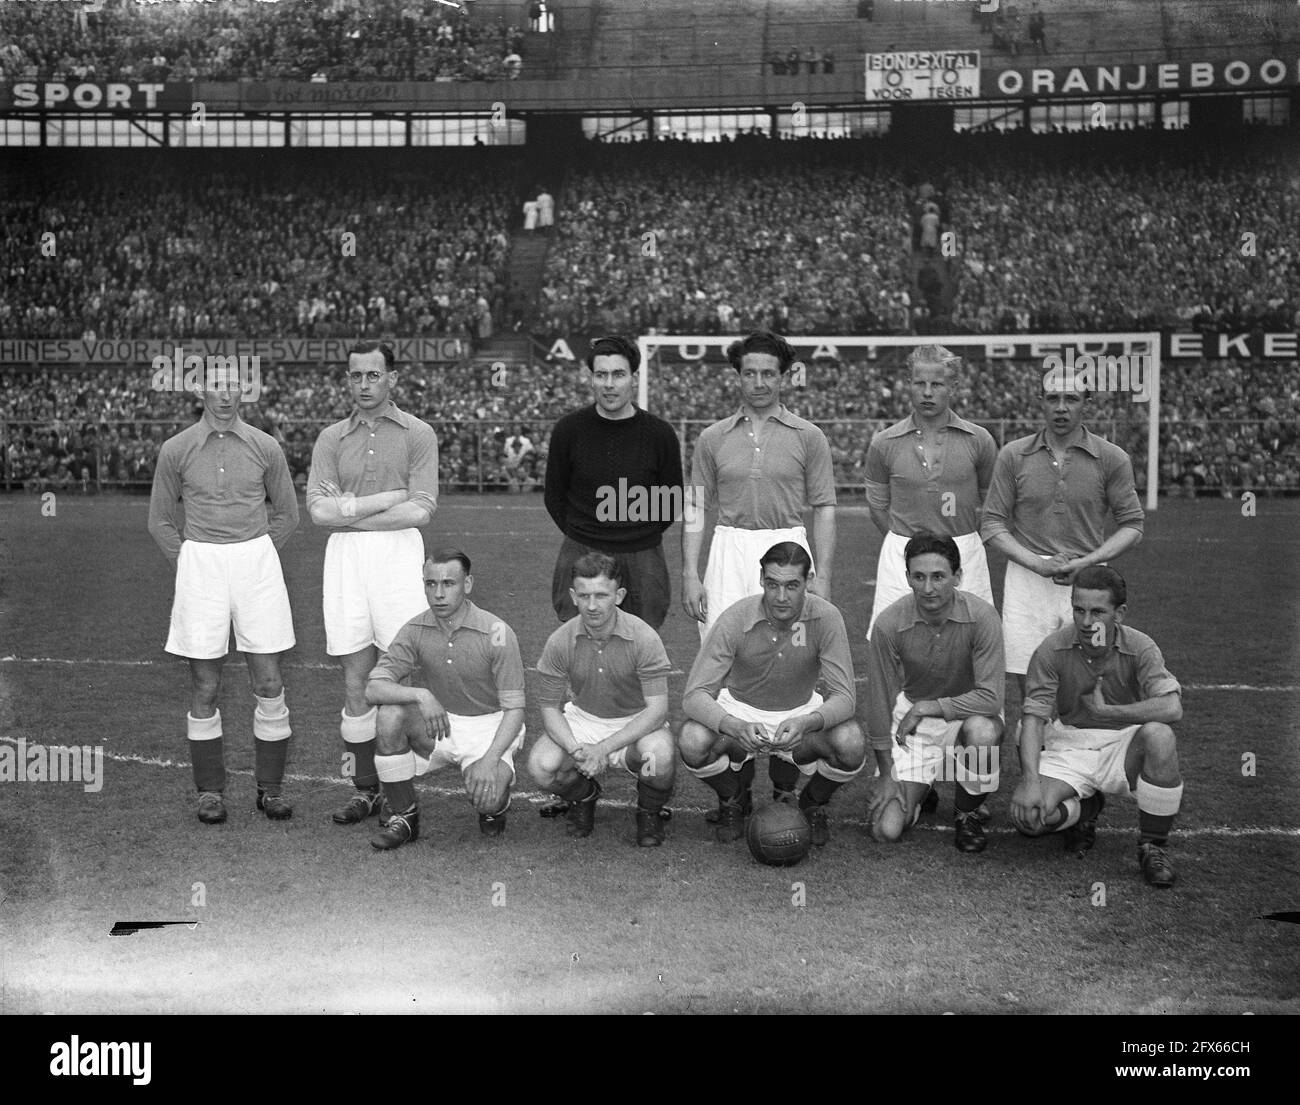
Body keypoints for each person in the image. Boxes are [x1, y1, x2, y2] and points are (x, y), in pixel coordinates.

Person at [148, 364, 299, 824]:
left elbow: (288, 514)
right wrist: (193, 561)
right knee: (205, 684)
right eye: (217, 386)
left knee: (269, 680)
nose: (226, 395)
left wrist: (253, 556)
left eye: (235, 386)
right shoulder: (176, 448)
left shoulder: (264, 445)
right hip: (201, 565)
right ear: (199, 389)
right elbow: (159, 520)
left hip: (255, 564)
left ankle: (269, 790)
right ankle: (209, 792)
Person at [307, 340, 439, 828]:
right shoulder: (330, 438)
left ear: (391, 378)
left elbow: (421, 508)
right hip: (345, 562)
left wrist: (348, 514)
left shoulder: (418, 433)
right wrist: (382, 499)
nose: (364, 384)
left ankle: (400, 797)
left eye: (373, 375)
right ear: (347, 379)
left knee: (396, 678)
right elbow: (316, 511)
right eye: (355, 375)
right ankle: (366, 791)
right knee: (355, 679)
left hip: (399, 555)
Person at [679, 542, 865, 846]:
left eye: (792, 585)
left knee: (851, 742)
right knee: (692, 739)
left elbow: (845, 697)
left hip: (800, 713)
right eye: (773, 584)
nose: (781, 597)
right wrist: (734, 725)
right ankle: (733, 798)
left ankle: (811, 802)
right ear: (761, 579)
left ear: (809, 580)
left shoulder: (826, 617)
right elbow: (694, 695)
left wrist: (808, 722)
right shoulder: (736, 618)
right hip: (741, 713)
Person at [1010, 567, 1183, 888]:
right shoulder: (1052, 649)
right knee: (1030, 819)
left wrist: (1111, 710)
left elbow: (1172, 707)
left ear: (1120, 613)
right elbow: (1034, 717)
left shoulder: (1141, 646)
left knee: (1160, 735)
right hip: (1069, 744)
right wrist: (1030, 780)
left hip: (1123, 743)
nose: (1087, 622)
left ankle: (1153, 846)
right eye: (1079, 610)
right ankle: (1087, 807)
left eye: (1098, 612)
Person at [981, 378, 1144, 712]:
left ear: (1087, 402)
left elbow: (1133, 525)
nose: (1061, 407)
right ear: (1040, 400)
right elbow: (992, 523)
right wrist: (1037, 563)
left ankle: (1082, 751)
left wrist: (1088, 563)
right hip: (1028, 578)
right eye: (1053, 398)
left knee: (1088, 676)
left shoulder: (1111, 457)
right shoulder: (1013, 455)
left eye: (1071, 398)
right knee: (1030, 683)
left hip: (1089, 582)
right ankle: (1037, 756)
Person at [362, 549, 527, 850]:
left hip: (491, 726)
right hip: (441, 723)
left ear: (468, 584)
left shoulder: (497, 632)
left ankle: (496, 807)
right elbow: (373, 688)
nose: (438, 594)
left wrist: (490, 761)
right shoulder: (416, 629)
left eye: (448, 584)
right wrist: (420, 694)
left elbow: (515, 710)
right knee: (390, 715)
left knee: (487, 802)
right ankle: (404, 816)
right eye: (431, 584)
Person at [683, 330, 836, 640]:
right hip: (729, 548)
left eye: (768, 373)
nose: (759, 382)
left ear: (783, 378)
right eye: (750, 373)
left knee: (791, 651)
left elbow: (824, 508)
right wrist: (690, 574)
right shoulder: (712, 437)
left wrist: (824, 576)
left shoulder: (809, 436)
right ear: (738, 377)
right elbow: (696, 505)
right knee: (721, 647)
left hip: (788, 545)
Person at [863, 534, 1005, 853]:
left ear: (958, 576)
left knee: (982, 732)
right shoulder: (888, 623)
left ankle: (967, 812)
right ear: (907, 578)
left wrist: (929, 706)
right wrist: (886, 772)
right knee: (885, 829)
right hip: (913, 727)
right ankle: (921, 789)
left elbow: (991, 698)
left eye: (939, 577)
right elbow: (878, 702)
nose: (928, 588)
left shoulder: (982, 617)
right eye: (919, 577)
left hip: (968, 717)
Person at [528, 553, 676, 846]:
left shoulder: (644, 637)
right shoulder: (560, 639)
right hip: (585, 719)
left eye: (601, 595)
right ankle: (583, 796)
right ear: (573, 596)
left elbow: (657, 711)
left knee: (657, 757)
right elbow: (548, 707)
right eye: (584, 595)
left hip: (636, 721)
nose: (592, 605)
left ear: (619, 595)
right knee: (541, 767)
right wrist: (576, 749)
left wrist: (603, 749)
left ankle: (649, 812)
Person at [544, 334, 682, 629]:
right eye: (601, 374)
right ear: (591, 378)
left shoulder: (660, 434)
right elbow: (554, 495)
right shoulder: (569, 430)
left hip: (643, 555)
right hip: (582, 549)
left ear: (633, 377)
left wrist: (637, 533)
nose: (609, 384)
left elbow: (671, 502)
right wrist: (585, 531)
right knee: (579, 645)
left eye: (618, 374)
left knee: (642, 644)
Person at [865, 345, 997, 637]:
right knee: (894, 642)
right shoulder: (884, 442)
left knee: (972, 641)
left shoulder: (980, 440)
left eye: (936, 384)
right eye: (919, 383)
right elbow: (877, 506)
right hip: (902, 552)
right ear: (908, 384)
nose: (927, 392)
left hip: (964, 552)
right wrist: (906, 544)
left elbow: (993, 504)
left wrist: (965, 541)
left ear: (953, 387)